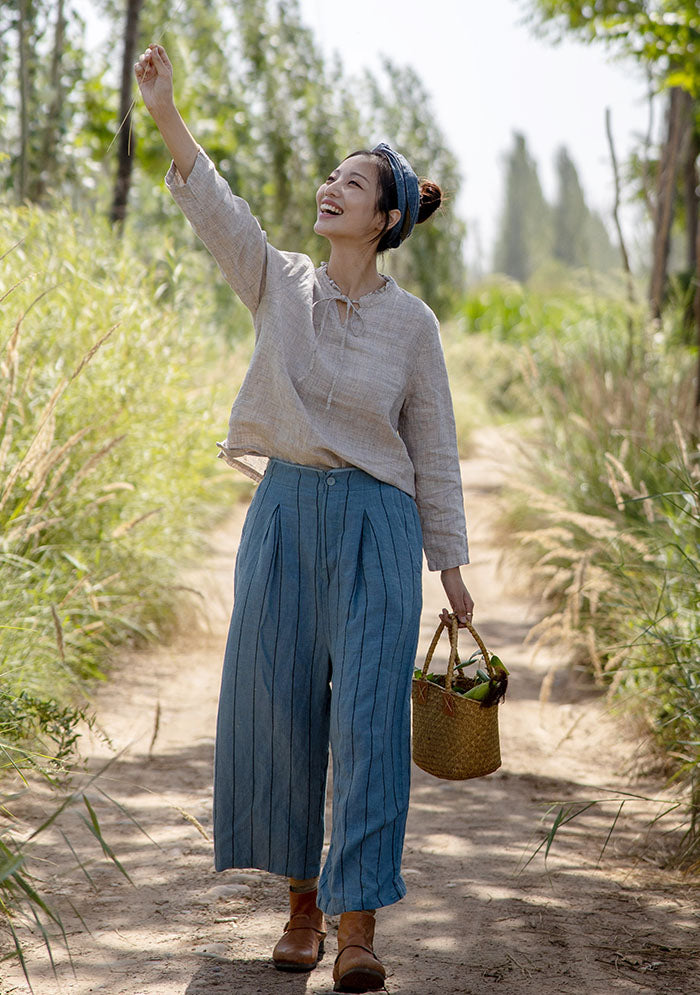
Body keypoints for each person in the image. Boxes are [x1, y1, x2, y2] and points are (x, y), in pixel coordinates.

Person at [135, 42, 474, 994]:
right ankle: (302, 909)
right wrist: (164, 110)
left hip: (378, 525)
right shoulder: (277, 281)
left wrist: (449, 563)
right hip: (283, 513)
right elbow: (217, 208)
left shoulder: (414, 327)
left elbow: (435, 449)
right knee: (280, 710)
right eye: (331, 176)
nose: (331, 187)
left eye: (353, 182)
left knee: (368, 721)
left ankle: (360, 927)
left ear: (387, 216)